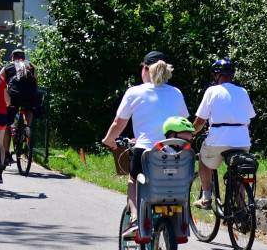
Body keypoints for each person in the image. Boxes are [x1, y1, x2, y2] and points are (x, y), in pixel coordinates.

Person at [101, 51, 189, 238]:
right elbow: (184, 123)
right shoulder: (176, 92)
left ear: (145, 69)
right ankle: (176, 223)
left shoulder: (134, 92)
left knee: (134, 180)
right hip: (175, 151)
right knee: (173, 183)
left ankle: (134, 220)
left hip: (146, 151)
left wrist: (109, 140)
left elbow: (119, 123)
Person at [191, 58, 256, 209]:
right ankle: (241, 208)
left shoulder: (212, 91)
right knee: (238, 173)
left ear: (215, 76)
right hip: (242, 141)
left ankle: (206, 198)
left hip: (218, 139)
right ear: (232, 76)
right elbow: (248, 121)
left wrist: (191, 134)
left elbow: (200, 121)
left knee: (203, 159)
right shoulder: (242, 91)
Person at [2, 48, 40, 159]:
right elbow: (36, 84)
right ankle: (26, 130)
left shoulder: (8, 66)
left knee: (7, 124)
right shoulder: (32, 67)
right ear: (24, 57)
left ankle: (6, 152)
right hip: (30, 96)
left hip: (14, 96)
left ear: (13, 57)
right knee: (28, 110)